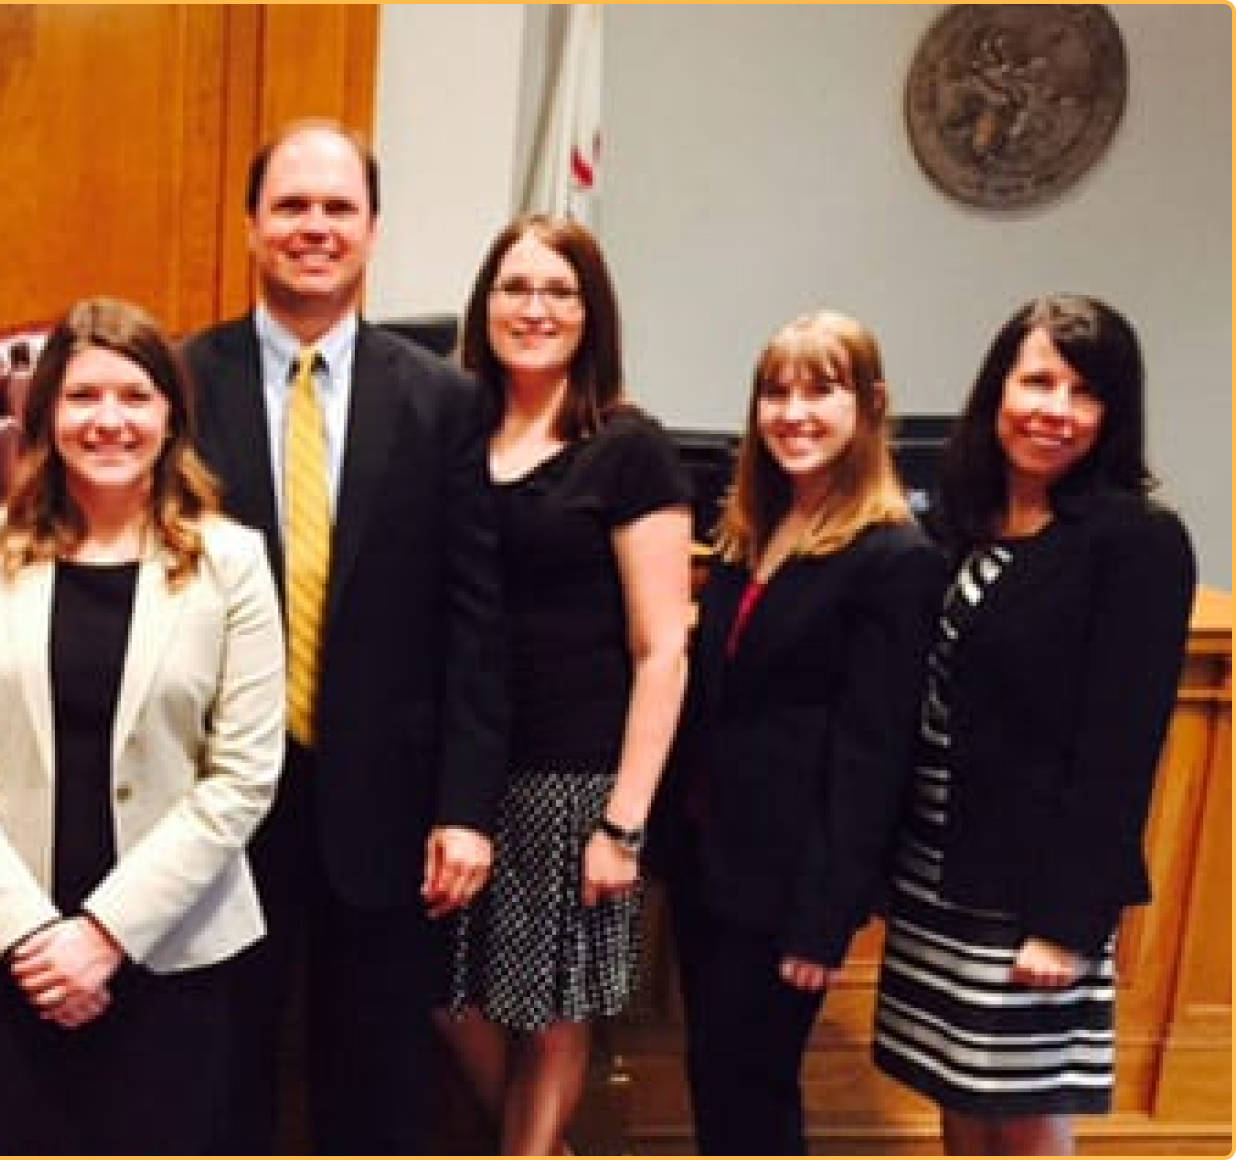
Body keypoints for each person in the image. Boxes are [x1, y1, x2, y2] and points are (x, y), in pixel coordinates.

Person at [184, 119, 505, 1154]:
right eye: (292, 205)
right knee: (223, 1074)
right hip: (220, 802)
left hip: (394, 809)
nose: (314, 227)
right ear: (251, 226)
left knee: (377, 1087)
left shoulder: (444, 400)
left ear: (371, 230)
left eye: (338, 208)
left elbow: (474, 617)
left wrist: (464, 807)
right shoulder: (185, 383)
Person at [0, 296, 285, 1153]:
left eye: (134, 396)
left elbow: (244, 775)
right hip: (4, 951)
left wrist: (108, 933)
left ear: (170, 418)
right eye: (82, 398)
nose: (108, 420)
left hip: (173, 952)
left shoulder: (232, 562)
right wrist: (35, 936)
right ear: (45, 417)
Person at [873, 294, 1195, 1156]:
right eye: (1038, 380)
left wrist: (1069, 920)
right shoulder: (964, 525)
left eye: (1085, 392)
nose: (1055, 409)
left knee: (1022, 1109)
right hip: (942, 871)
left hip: (1034, 893)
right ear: (998, 390)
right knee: (959, 1093)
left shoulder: (1135, 541)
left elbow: (1121, 751)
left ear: (1113, 415)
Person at [650, 311, 945, 1153]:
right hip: (716, 867)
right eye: (776, 392)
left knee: (757, 1088)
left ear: (871, 407)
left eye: (821, 390)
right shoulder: (752, 533)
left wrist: (824, 917)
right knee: (716, 1072)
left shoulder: (896, 560)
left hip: (790, 888)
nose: (794, 412)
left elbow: (873, 756)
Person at [434, 214, 692, 1155]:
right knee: (450, 994)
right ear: (485, 304)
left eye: (558, 291)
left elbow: (663, 648)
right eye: (515, 288)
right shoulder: (453, 434)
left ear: (592, 314)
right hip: (463, 767)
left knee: (547, 1011)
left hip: (572, 778)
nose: (533, 308)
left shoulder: (628, 448)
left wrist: (622, 824)